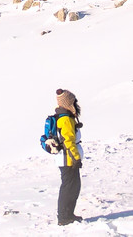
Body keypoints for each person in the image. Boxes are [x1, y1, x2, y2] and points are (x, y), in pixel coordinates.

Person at [52, 88, 84, 226]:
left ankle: (67, 214)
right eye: (73, 101)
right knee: (69, 187)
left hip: (66, 158)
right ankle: (64, 216)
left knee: (72, 186)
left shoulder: (65, 117)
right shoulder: (65, 119)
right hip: (68, 159)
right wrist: (76, 158)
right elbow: (68, 141)